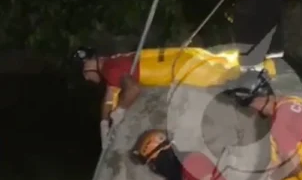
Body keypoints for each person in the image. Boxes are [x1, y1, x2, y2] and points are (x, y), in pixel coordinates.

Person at [72, 46, 277, 146]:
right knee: (222, 64)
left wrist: (121, 112)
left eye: (84, 74)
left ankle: (271, 76)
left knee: (226, 77)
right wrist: (104, 123)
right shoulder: (112, 63)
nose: (87, 79)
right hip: (183, 58)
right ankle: (266, 68)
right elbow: (110, 96)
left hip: (181, 69)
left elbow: (132, 90)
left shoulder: (109, 69)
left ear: (88, 65)